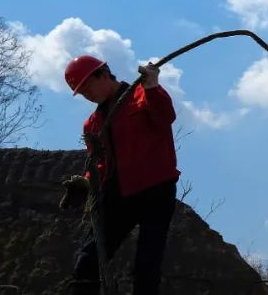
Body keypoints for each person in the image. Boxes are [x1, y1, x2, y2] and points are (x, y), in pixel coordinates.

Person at [59, 55, 179, 295]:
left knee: (147, 265)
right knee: (87, 260)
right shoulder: (92, 124)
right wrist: (87, 181)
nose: (87, 96)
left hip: (156, 189)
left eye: (87, 87)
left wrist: (153, 86)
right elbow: (101, 164)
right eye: (81, 93)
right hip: (118, 195)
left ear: (103, 74)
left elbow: (166, 117)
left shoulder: (143, 95)